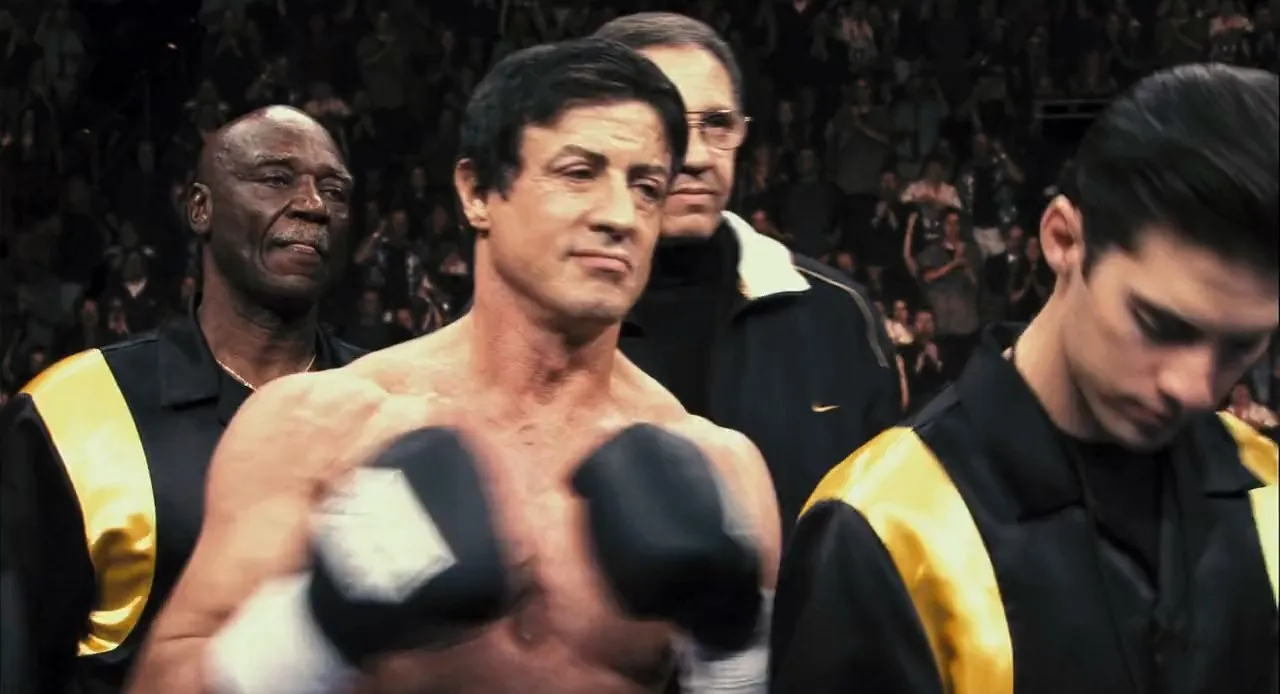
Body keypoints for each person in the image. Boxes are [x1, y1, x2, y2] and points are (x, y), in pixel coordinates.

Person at [126, 39, 779, 694]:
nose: (620, 216)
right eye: (579, 172)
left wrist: (733, 654)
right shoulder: (319, 425)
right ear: (476, 192)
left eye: (646, 187)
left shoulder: (723, 470)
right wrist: (315, 627)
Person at [770, 63, 1279, 694]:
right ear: (1062, 240)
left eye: (1242, 345)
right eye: (1160, 324)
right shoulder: (887, 526)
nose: (1198, 388)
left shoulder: (1267, 486)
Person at [0, 105, 365, 694]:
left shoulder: (388, 402)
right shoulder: (74, 411)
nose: (312, 205)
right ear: (200, 208)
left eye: (335, 190)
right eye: (276, 178)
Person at [594, 13, 902, 540]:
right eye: (664, 122)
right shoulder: (533, 320)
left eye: (717, 123)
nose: (696, 156)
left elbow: (885, 532)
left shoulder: (835, 314)